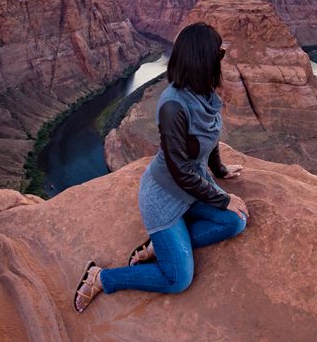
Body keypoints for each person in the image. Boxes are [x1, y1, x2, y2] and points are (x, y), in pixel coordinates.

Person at [74, 22, 249, 312]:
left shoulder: (206, 95)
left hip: (195, 187)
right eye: (218, 54)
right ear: (203, 60)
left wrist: (219, 170)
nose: (221, 60)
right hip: (165, 195)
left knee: (237, 221)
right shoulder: (173, 106)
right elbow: (179, 171)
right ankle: (102, 278)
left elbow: (210, 136)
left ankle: (160, 247)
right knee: (178, 278)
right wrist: (223, 197)